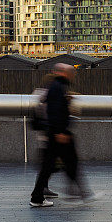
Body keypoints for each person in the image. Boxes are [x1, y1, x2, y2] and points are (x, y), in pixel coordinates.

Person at [30, 63, 94, 208]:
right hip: (57, 133)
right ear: (64, 73)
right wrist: (59, 131)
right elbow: (54, 111)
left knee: (49, 165)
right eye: (71, 73)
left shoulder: (56, 87)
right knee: (69, 162)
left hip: (53, 132)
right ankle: (80, 193)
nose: (73, 76)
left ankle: (38, 197)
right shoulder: (57, 87)